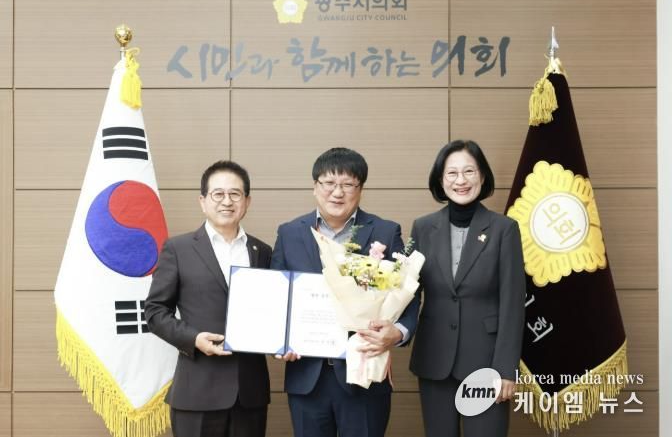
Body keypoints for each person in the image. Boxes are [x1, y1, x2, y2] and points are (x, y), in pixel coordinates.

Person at [271, 147, 420, 437]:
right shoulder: (289, 233)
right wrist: (279, 341)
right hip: (306, 377)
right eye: (329, 183)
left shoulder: (386, 232)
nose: (337, 192)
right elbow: (277, 296)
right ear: (315, 187)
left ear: (360, 189)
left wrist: (398, 332)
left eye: (348, 184)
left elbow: (409, 294)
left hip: (364, 376)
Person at [145, 160, 272, 437]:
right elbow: (155, 312)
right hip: (197, 392)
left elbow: (273, 310)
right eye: (218, 194)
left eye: (235, 194)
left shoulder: (262, 252)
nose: (227, 201)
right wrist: (193, 339)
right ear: (203, 201)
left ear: (247, 201)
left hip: (249, 394)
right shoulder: (178, 249)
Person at [409, 140, 525, 437]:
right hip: (434, 359)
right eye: (452, 173)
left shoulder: (504, 229)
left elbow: (512, 304)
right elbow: (408, 293)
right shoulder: (423, 228)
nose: (460, 180)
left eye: (469, 171)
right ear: (440, 180)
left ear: (482, 176)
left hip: (486, 364)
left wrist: (505, 369)